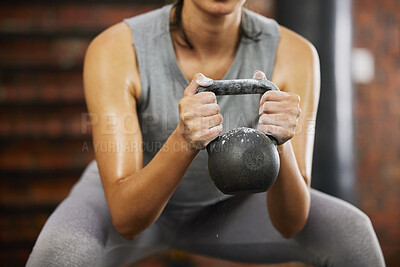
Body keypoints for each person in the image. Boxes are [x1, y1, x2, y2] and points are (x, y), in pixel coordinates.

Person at [27, 1, 386, 266]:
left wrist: (281, 143)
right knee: (57, 255)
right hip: (133, 198)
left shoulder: (295, 54)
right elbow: (126, 220)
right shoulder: (117, 49)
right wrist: (184, 140)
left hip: (229, 209)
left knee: (352, 233)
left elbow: (290, 223)